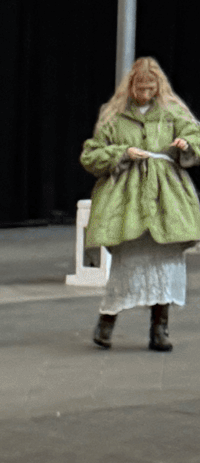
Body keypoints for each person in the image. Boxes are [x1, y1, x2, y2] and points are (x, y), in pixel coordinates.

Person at [81, 55, 200, 352]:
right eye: (140, 88)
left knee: (166, 264)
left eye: (150, 88)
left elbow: (194, 135)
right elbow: (91, 154)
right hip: (128, 198)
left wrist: (186, 145)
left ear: (158, 86)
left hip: (166, 197)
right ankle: (106, 322)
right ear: (131, 86)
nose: (145, 93)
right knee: (127, 264)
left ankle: (160, 328)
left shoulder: (172, 112)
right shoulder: (114, 116)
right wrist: (122, 153)